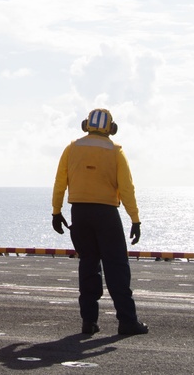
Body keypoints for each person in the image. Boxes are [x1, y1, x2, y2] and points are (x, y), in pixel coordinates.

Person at [51, 108, 148, 336]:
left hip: (79, 213)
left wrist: (56, 212)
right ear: (111, 129)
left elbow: (59, 182)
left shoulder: (72, 148)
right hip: (106, 214)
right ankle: (127, 321)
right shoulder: (116, 152)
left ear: (86, 125)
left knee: (88, 265)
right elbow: (126, 189)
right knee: (116, 267)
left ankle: (89, 322)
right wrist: (135, 219)